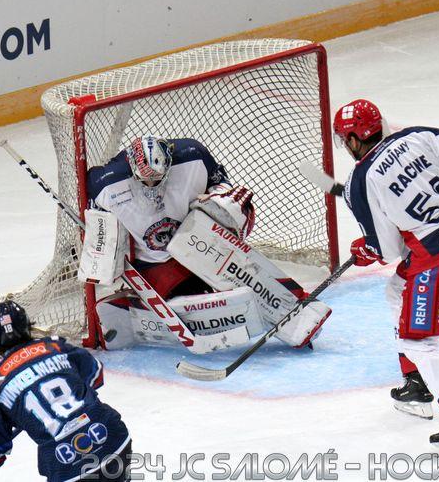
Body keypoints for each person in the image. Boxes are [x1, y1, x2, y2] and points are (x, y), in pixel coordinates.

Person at [331, 99, 439, 453]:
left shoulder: (360, 180)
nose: (345, 145)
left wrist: (367, 250)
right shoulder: (415, 136)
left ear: (354, 139)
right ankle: (415, 383)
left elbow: (387, 249)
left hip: (437, 256)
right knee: (397, 291)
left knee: (419, 342)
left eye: (345, 139)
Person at [85, 135, 330, 350]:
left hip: (199, 242)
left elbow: (220, 183)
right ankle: (136, 304)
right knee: (194, 308)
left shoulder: (193, 155)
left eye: (158, 178)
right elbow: (98, 228)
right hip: (154, 264)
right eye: (145, 180)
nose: (152, 186)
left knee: (239, 266)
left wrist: (221, 198)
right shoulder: (105, 183)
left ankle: (297, 312)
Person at [0, 300, 131, 482]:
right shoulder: (54, 347)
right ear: (27, 325)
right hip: (113, 438)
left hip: (67, 465)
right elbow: (96, 374)